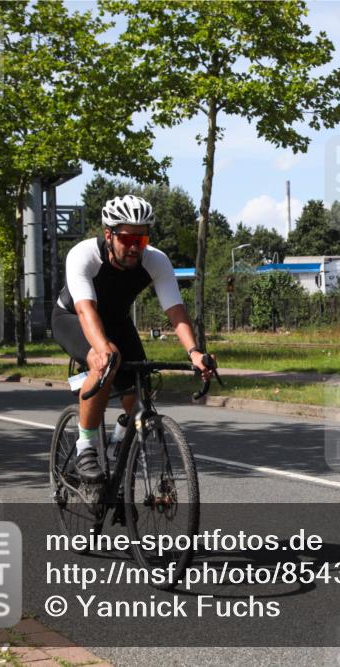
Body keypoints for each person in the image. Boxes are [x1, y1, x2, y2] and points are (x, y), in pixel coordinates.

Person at [52, 194, 211, 483]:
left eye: (142, 239)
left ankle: (119, 445)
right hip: (73, 319)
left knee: (140, 399)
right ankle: (85, 448)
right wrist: (101, 350)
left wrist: (195, 353)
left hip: (118, 322)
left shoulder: (156, 261)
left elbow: (175, 310)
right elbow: (86, 310)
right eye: (127, 238)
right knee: (106, 362)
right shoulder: (83, 254)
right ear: (108, 234)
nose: (135, 247)